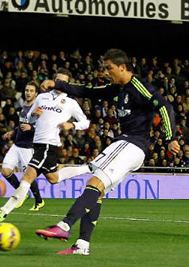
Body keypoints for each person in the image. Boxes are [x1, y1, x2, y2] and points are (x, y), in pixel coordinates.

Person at [36, 49, 180, 255]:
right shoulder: (115, 88)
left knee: (94, 183)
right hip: (131, 147)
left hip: (132, 143)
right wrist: (57, 84)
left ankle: (64, 226)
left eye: (109, 68)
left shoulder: (138, 87)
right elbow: (86, 91)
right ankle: (82, 245)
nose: (106, 72)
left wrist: (170, 138)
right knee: (98, 192)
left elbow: (165, 106)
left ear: (122, 67)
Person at [0, 68, 90, 222]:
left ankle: (3, 212)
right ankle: (88, 168)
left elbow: (85, 122)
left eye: (63, 81)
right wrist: (34, 115)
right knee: (53, 178)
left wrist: (72, 125)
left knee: (27, 176)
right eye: (58, 80)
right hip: (38, 144)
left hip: (49, 145)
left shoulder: (71, 103)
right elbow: (29, 118)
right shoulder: (42, 97)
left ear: (68, 84)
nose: (60, 83)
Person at [1, 81, 45, 211]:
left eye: (31, 91)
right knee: (5, 171)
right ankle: (23, 194)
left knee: (28, 176)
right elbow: (21, 125)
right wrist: (13, 132)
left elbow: (42, 128)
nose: (28, 93)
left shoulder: (39, 109)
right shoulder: (24, 107)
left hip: (28, 147)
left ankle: (39, 200)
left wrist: (31, 127)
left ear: (36, 94)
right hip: (17, 145)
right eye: (27, 90)